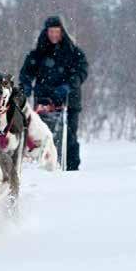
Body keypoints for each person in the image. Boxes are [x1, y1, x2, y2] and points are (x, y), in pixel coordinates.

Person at [19, 16, 88, 171]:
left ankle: (71, 169)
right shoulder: (38, 53)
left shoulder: (73, 53)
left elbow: (81, 72)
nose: (54, 35)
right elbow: (26, 73)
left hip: (69, 101)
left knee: (69, 136)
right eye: (51, 31)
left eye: (57, 31)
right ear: (46, 32)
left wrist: (67, 87)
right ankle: (45, 166)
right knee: (42, 135)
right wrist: (25, 86)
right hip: (43, 100)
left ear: (62, 32)